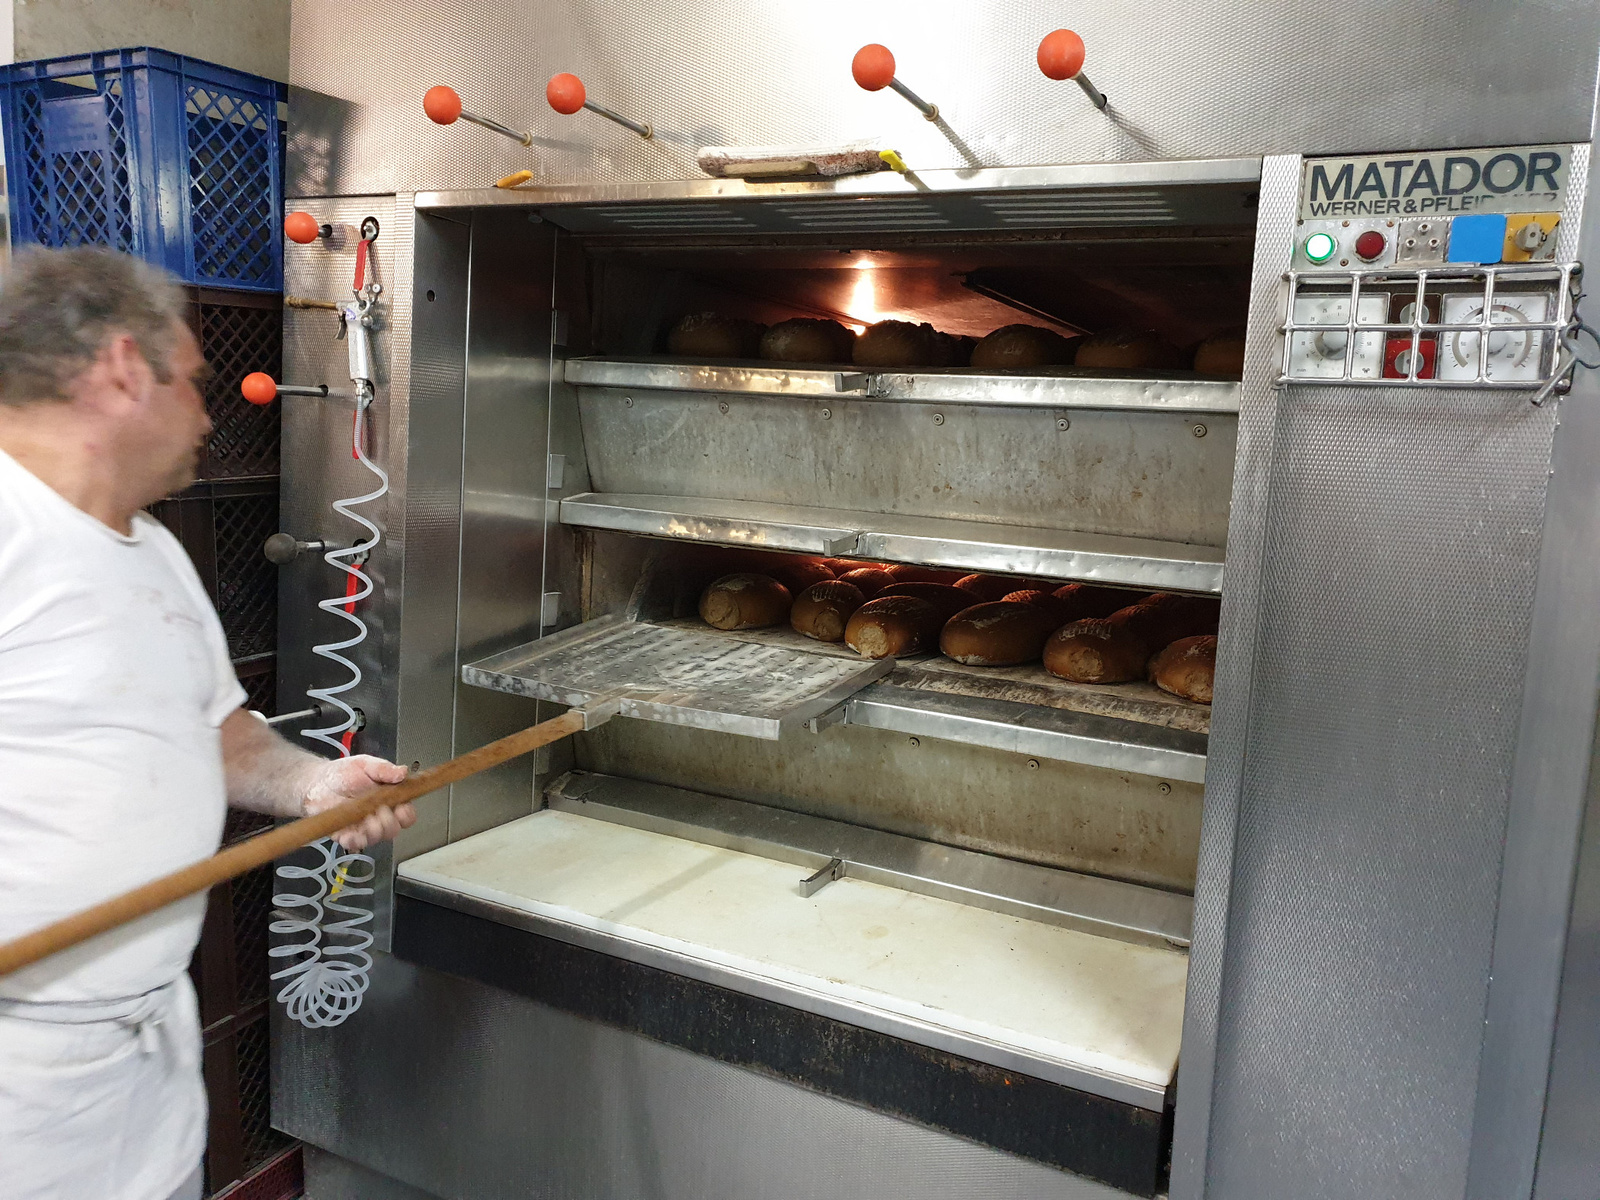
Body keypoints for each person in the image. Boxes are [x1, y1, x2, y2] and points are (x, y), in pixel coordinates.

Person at [0, 247, 416, 1200]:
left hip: (139, 1061)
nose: (208, 412)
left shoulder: (148, 549)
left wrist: (315, 785)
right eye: (190, 383)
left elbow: (220, 738)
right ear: (118, 369)